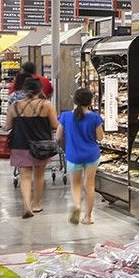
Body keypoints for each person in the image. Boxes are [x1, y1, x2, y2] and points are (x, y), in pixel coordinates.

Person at [4, 78, 58, 219]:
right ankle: (36, 204)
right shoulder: (47, 105)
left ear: (24, 90)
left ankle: (27, 206)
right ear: (39, 90)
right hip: (41, 146)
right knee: (39, 175)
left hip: (20, 144)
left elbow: (7, 126)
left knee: (25, 177)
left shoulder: (15, 106)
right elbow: (55, 125)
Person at [57, 88, 104, 225]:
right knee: (89, 185)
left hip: (73, 155)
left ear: (75, 100)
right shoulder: (95, 117)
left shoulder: (65, 116)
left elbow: (58, 136)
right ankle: (88, 217)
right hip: (91, 155)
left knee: (75, 184)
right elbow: (100, 138)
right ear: (90, 102)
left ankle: (77, 205)